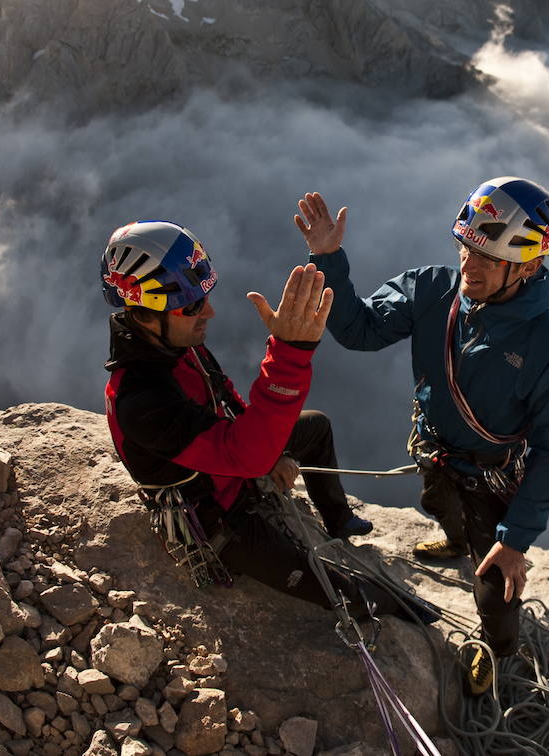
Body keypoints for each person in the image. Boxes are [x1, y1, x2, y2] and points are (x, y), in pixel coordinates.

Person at [294, 178, 549, 695]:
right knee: (437, 500)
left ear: (526, 266)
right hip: (436, 448)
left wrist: (516, 539)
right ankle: (455, 539)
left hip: (493, 473)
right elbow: (360, 330)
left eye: (486, 258)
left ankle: (499, 653)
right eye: (465, 249)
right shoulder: (432, 290)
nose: (468, 267)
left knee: (495, 584)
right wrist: (329, 259)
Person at [100, 219, 436, 622]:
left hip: (234, 469)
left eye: (204, 296)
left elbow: (224, 395)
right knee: (340, 590)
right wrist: (290, 356)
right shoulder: (141, 401)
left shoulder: (171, 345)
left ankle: (338, 520)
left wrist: (273, 454)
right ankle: (411, 617)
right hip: (218, 517)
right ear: (146, 310)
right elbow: (243, 455)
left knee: (316, 427)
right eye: (190, 305)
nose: (208, 310)